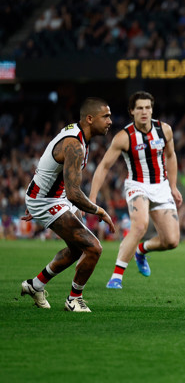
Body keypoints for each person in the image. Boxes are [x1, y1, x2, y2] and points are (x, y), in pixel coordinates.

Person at [20, 97, 115, 313]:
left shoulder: (79, 135)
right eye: (106, 116)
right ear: (90, 119)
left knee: (76, 249)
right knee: (93, 247)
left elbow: (48, 164)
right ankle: (74, 299)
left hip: (52, 196)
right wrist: (100, 211)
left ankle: (35, 285)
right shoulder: (75, 145)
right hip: (47, 200)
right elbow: (74, 194)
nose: (110, 121)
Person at [89, 91, 182, 289]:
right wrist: (92, 197)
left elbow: (171, 156)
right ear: (132, 111)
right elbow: (104, 166)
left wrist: (173, 186)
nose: (144, 112)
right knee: (140, 225)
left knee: (171, 241)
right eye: (139, 108)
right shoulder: (124, 137)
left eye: (148, 107)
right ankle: (116, 276)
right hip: (137, 185)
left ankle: (141, 250)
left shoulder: (165, 130)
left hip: (161, 186)